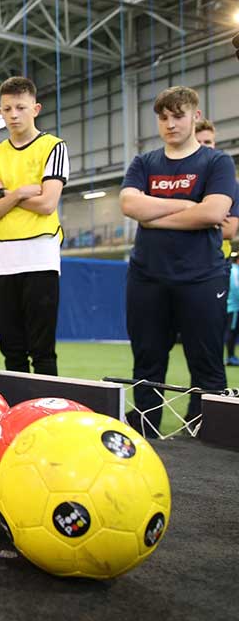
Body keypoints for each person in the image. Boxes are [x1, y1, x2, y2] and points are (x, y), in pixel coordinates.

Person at [120, 85, 233, 437]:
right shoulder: (144, 162)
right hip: (147, 278)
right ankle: (146, 432)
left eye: (178, 116)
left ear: (195, 117)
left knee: (207, 365)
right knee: (147, 361)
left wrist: (153, 214)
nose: (170, 124)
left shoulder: (217, 162)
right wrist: (187, 206)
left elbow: (215, 212)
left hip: (202, 278)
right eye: (163, 117)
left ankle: (203, 433)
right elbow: (129, 206)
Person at [0, 76, 69, 376]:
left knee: (42, 350)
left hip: (40, 256)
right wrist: (17, 193)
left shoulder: (53, 147)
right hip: (1, 260)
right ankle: (16, 415)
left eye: (20, 107)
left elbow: (47, 204)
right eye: (6, 109)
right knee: (11, 350)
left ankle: (47, 415)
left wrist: (4, 193)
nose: (13, 114)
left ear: (36, 108)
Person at [194, 119, 239, 258]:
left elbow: (229, 230)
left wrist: (185, 216)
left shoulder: (229, 182)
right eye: (197, 142)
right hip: (179, 261)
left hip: (217, 261)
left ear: (214, 145)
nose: (203, 147)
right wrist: (211, 217)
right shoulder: (178, 180)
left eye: (207, 142)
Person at [226, 254, 239, 367]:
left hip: (235, 307)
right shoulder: (234, 270)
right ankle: (230, 357)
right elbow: (236, 289)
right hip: (234, 307)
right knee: (232, 332)